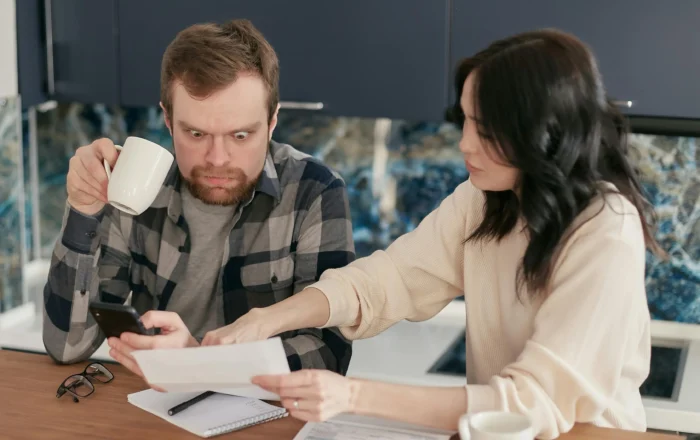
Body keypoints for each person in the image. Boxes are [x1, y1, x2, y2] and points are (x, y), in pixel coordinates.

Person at [121, 28, 661, 438]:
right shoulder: (486, 202)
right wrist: (265, 320)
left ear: (543, 134)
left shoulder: (605, 231)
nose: (465, 146)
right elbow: (386, 281)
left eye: (487, 129)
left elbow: (528, 403)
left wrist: (351, 394)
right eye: (465, 122)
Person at [42, 19, 356, 376]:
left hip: (268, 417)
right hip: (156, 409)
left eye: (240, 135)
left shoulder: (314, 191)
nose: (217, 158)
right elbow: (66, 346)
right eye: (195, 133)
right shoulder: (138, 187)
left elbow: (327, 359)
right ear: (168, 118)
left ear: (271, 122)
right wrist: (83, 213)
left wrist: (203, 363)